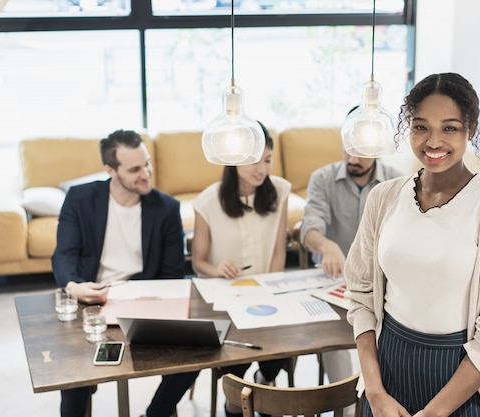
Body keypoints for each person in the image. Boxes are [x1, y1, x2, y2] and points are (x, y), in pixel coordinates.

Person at [344, 72, 480, 417]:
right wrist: (374, 392)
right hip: (385, 371)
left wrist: (434, 413)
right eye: (421, 127)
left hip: (459, 380)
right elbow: (360, 294)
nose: (433, 141)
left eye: (449, 128)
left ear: (470, 129)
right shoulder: (383, 197)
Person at [52, 129, 198, 417]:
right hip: (90, 300)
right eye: (134, 169)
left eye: (147, 164)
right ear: (110, 170)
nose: (146, 173)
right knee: (71, 374)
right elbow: (64, 254)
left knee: (196, 353)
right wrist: (73, 286)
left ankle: (156, 413)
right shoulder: (81, 199)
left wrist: (139, 299)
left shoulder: (167, 208)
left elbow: (172, 275)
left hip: (144, 300)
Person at [191, 121, 290, 417]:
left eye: (268, 160)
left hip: (268, 296)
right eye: (253, 160)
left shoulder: (281, 191)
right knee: (234, 361)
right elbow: (198, 262)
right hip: (227, 299)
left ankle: (262, 383)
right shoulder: (208, 202)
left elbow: (278, 251)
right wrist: (217, 268)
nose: (262, 168)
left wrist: (271, 291)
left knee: (279, 352)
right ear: (233, 160)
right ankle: (234, 404)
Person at [299, 113, 402, 386]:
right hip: (332, 284)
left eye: (362, 152)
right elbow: (309, 228)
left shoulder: (398, 183)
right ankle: (344, 406)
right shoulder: (322, 178)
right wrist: (326, 245)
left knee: (390, 352)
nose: (353, 159)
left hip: (381, 285)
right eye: (348, 149)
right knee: (336, 348)